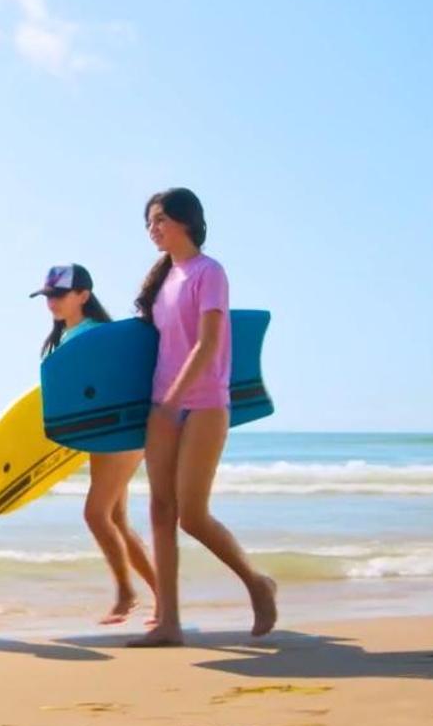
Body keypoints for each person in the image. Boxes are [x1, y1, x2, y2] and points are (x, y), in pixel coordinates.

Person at [124, 190, 278, 647]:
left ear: (184, 221)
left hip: (204, 402)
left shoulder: (209, 273)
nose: (152, 228)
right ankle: (168, 620)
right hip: (162, 403)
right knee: (159, 509)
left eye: (158, 220)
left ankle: (256, 583)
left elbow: (209, 342)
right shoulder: (164, 278)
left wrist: (174, 398)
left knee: (191, 515)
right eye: (148, 222)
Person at [32, 263, 159, 624]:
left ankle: (126, 594)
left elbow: (122, 382)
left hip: (119, 432)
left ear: (83, 295)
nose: (51, 302)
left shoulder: (97, 335)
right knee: (115, 516)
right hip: (102, 435)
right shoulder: (67, 338)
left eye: (59, 295)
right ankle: (161, 596)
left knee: (95, 513)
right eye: (48, 296)